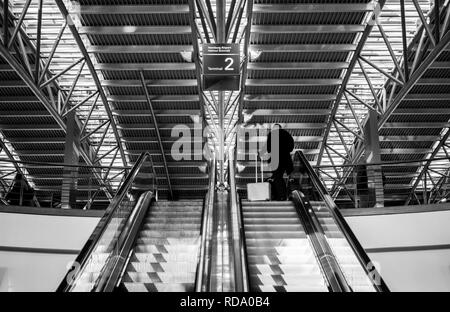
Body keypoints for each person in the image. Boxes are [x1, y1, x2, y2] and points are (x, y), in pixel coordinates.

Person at [262, 124, 295, 201]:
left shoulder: (272, 134)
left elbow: (268, 147)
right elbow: (291, 146)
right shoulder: (286, 134)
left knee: (277, 177)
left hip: (275, 159)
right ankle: (282, 195)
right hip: (285, 159)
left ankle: (281, 196)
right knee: (278, 177)